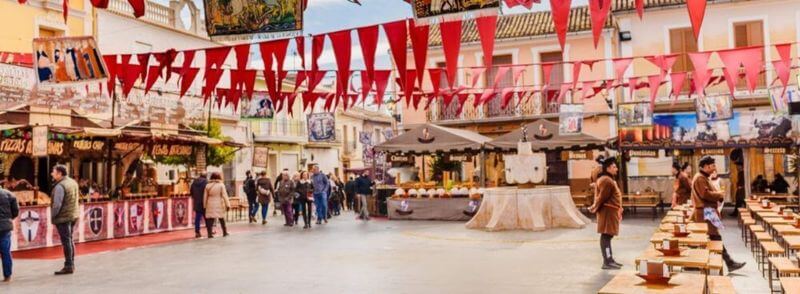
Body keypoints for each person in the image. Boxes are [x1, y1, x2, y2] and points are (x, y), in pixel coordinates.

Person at [691, 156, 746, 272]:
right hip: (706, 211)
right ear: (706, 166)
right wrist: (719, 195)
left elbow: (708, 193)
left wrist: (717, 194)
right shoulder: (700, 178)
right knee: (714, 236)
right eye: (713, 165)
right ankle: (729, 263)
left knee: (713, 236)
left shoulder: (703, 177)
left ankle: (729, 262)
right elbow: (705, 195)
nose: (715, 168)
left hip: (708, 211)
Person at [588, 157, 623, 270]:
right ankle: (607, 261)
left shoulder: (607, 179)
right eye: (614, 167)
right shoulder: (606, 180)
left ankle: (610, 259)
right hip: (608, 211)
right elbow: (602, 197)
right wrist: (594, 207)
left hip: (610, 211)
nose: (616, 169)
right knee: (606, 236)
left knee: (608, 236)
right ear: (608, 168)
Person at [50, 165, 79, 275]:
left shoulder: (60, 186)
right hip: (72, 215)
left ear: (59, 173)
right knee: (69, 240)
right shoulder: (73, 182)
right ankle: (71, 263)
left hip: (63, 217)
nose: (52, 174)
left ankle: (68, 265)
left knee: (66, 241)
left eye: (54, 172)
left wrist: (53, 216)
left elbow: (57, 205)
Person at [0, 186, 19, 282]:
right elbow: (15, 211)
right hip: (5, 227)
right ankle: (7, 275)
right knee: (6, 252)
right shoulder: (9, 194)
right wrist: (8, 219)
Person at [203, 172, 230, 238]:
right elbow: (225, 195)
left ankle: (209, 234)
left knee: (210, 219)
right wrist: (228, 204)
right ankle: (224, 232)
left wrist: (204, 205)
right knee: (221, 218)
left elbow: (205, 197)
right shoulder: (221, 185)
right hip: (219, 203)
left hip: (210, 203)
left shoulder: (208, 185)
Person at [190, 173, 208, 238]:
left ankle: (197, 232)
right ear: (205, 176)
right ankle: (209, 230)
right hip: (205, 202)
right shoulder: (206, 182)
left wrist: (195, 197)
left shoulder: (194, 182)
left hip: (197, 202)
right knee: (207, 217)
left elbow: (191, 192)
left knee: (197, 218)